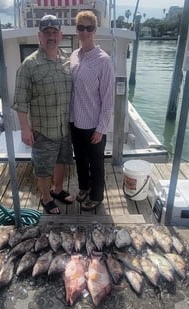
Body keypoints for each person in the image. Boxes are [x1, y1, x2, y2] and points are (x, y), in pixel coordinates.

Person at [13, 14, 73, 214]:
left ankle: (57, 190)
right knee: (43, 167)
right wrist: (25, 129)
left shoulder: (67, 60)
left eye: (54, 33)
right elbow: (20, 101)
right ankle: (46, 197)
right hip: (43, 129)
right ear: (39, 36)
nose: (51, 37)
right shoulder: (29, 65)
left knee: (62, 160)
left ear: (61, 35)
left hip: (64, 126)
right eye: (46, 33)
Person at [70, 11, 115, 211]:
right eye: (81, 27)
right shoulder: (74, 56)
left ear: (95, 30)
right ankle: (84, 187)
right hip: (74, 120)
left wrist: (101, 128)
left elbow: (108, 98)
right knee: (79, 158)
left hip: (93, 123)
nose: (85, 32)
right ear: (77, 30)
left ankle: (96, 195)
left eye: (89, 28)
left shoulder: (104, 60)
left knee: (96, 163)